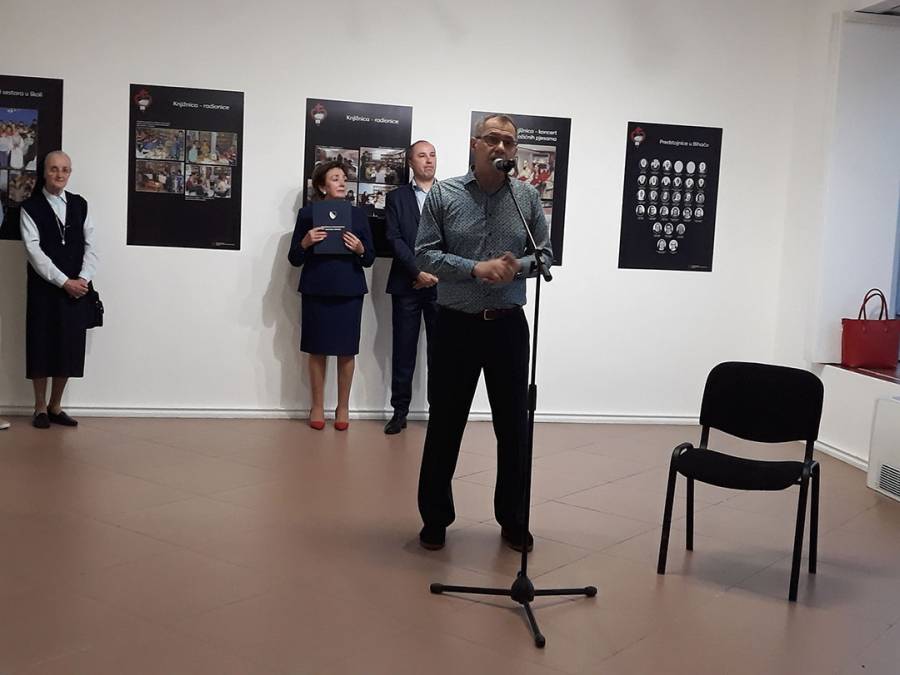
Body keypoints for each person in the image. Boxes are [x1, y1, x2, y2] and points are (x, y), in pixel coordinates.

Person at [414, 114, 552, 552]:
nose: (501, 147)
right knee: (445, 423)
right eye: (493, 139)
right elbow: (425, 255)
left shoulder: (526, 198)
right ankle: (435, 519)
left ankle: (513, 519)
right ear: (475, 144)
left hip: (507, 327)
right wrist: (475, 268)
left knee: (513, 427)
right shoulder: (445, 193)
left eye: (509, 142)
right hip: (455, 325)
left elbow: (545, 255)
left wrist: (518, 267)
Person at [288, 160, 375, 430]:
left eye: (343, 178)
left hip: (349, 290)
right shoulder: (307, 215)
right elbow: (294, 258)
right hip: (317, 288)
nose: (341, 182)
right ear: (322, 186)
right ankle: (316, 406)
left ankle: (343, 406)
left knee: (346, 351)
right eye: (335, 178)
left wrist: (360, 248)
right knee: (317, 349)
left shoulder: (358, 216)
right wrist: (305, 242)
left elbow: (369, 258)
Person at [19, 151, 98, 429]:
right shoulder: (30, 207)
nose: (59, 174)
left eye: (65, 169)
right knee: (41, 344)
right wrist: (64, 281)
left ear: (70, 172)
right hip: (45, 288)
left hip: (77, 288)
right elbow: (33, 251)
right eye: (54, 169)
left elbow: (92, 246)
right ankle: (40, 407)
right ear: (44, 172)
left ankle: (55, 406)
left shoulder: (80, 204)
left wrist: (83, 279)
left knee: (68, 346)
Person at [383, 140, 439, 435]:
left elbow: (456, 238)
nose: (429, 160)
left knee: (440, 353)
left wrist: (434, 273)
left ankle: (439, 411)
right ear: (410, 162)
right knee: (403, 351)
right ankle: (400, 412)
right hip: (406, 284)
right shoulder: (396, 198)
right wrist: (417, 271)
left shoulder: (450, 194)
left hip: (442, 286)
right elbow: (393, 238)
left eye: (432, 155)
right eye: (422, 155)